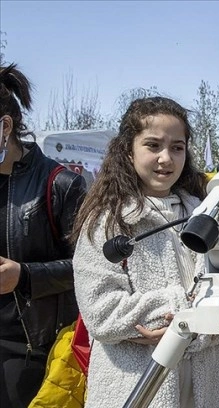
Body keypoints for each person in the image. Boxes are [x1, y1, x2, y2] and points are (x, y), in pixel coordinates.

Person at [71, 96, 219, 407]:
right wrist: (177, 313)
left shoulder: (207, 214)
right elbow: (101, 312)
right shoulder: (108, 220)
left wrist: (192, 325)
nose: (166, 158)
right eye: (153, 145)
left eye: (177, 147)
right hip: (137, 386)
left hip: (207, 385)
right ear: (128, 151)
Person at [0, 63, 87, 407]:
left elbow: (88, 269)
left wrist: (23, 276)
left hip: (33, 348)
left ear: (5, 126)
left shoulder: (61, 184)